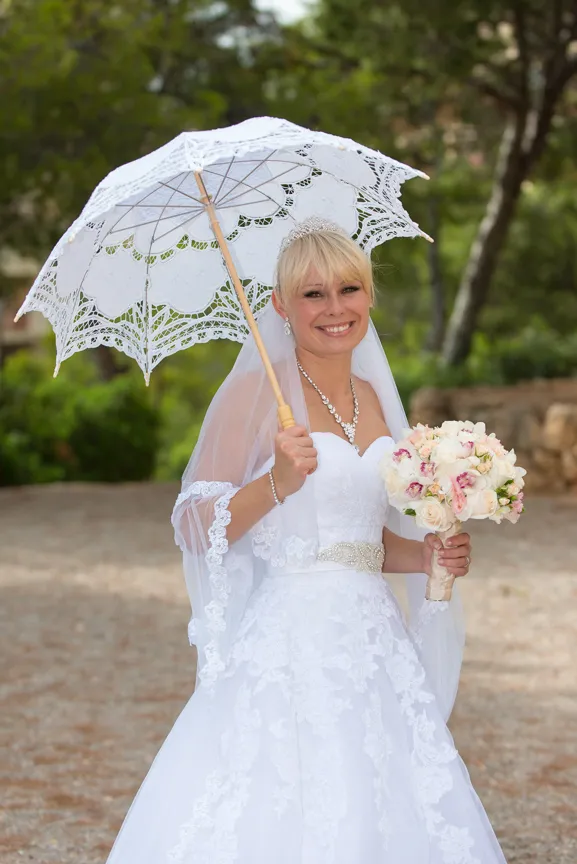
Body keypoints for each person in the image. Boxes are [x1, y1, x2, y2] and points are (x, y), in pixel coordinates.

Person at [105, 219, 507, 864]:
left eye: (348, 288)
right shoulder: (251, 394)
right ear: (279, 305)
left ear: (369, 296)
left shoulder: (375, 396)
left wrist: (425, 556)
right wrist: (277, 483)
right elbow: (190, 521)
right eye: (312, 294)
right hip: (292, 641)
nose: (334, 308)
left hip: (376, 638)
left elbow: (361, 538)